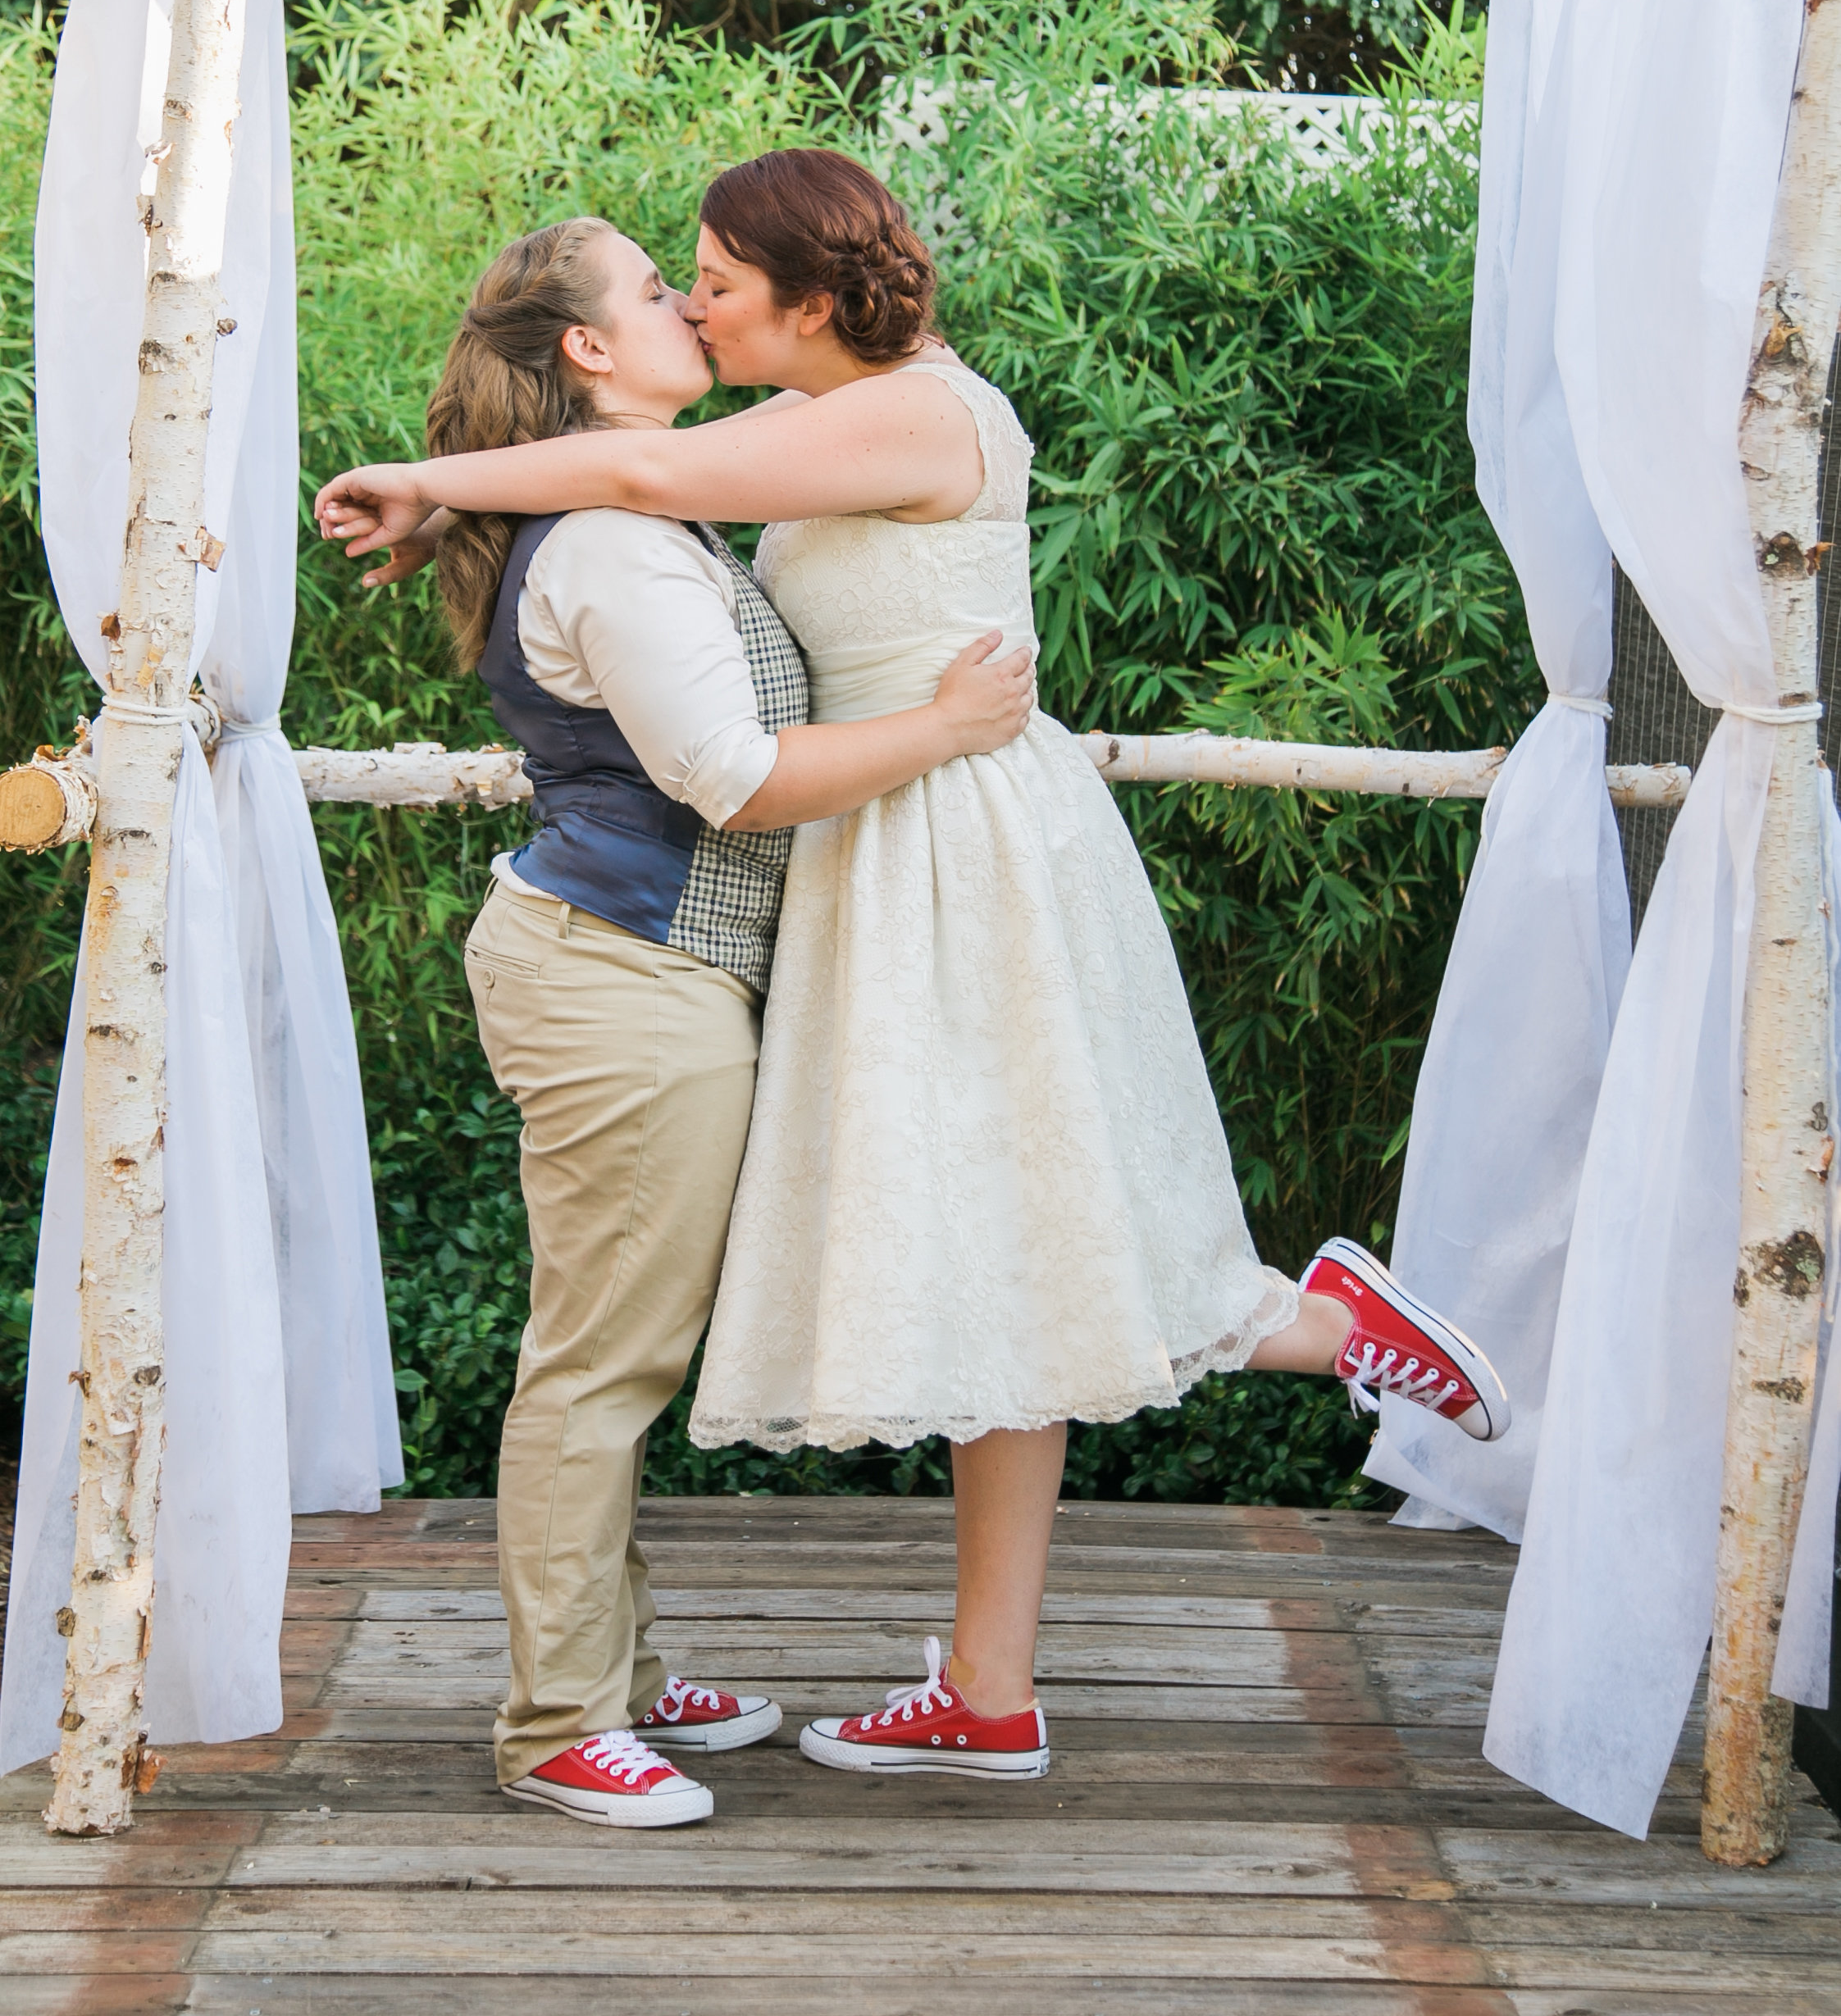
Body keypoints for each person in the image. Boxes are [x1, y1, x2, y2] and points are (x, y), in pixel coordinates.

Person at [319, 150, 1510, 1792]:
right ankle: (989, 1686)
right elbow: (648, 488)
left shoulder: (916, 414)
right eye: (670, 283)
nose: (695, 297)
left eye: (715, 276)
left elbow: (651, 490)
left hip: (953, 835)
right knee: (986, 1246)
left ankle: (1301, 1323)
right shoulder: (793, 440)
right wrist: (454, 488)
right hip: (881, 839)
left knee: (1015, 1219)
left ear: (809, 292)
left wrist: (424, 472)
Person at [396, 214, 1035, 1831]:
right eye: (653, 290)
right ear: (591, 353)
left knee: (618, 1344)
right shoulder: (614, 541)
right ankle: (557, 1721)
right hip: (619, 973)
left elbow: (720, 467)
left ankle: (607, 1664)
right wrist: (941, 726)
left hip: (646, 969)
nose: (689, 301)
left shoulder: (637, 505)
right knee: (599, 1364)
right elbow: (736, 782)